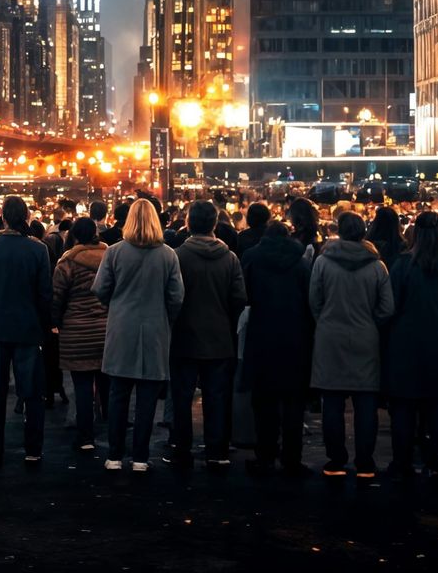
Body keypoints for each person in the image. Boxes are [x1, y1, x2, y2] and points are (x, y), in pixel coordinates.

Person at [93, 195, 182, 474]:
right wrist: (166, 318)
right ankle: (141, 458)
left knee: (118, 395)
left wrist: (115, 304)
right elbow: (177, 297)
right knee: (147, 398)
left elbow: (100, 289)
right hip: (155, 329)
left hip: (121, 328)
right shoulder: (168, 255)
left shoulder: (114, 252)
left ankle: (115, 455)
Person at [308, 208, 393, 482]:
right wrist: (370, 322)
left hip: (330, 337)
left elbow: (314, 300)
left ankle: (336, 459)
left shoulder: (323, 262)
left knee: (332, 401)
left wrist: (325, 320)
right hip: (365, 337)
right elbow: (387, 307)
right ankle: (365, 461)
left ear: (340, 231)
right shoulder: (377, 266)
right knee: (365, 403)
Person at [384, 210, 438, 479]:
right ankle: (436, 459)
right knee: (436, 406)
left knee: (403, 407)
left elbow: (390, 305)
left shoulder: (402, 265)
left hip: (404, 344)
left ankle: (402, 462)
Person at [0, 194, 52, 468]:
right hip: (28, 327)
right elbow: (44, 294)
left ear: (2, 217)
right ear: (26, 217)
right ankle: (33, 449)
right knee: (32, 392)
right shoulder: (38, 250)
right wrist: (45, 326)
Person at [167, 200, 246, 471]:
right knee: (217, 397)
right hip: (220, 337)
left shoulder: (177, 256)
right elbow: (239, 298)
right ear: (215, 224)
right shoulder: (230, 258)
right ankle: (217, 450)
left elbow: (171, 296)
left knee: (182, 397)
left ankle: (182, 449)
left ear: (189, 223)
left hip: (184, 336)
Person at [239, 219, 312, 476]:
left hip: (262, 334)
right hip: (295, 336)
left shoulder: (252, 258)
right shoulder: (301, 263)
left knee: (263, 401)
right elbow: (310, 301)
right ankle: (292, 458)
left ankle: (265, 454)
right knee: (293, 402)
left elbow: (243, 294)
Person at [51, 215, 109, 457]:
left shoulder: (67, 262)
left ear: (74, 235)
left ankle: (86, 437)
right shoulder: (110, 256)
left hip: (77, 331)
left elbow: (56, 297)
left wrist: (55, 323)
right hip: (107, 329)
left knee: (83, 387)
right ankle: (113, 434)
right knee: (109, 386)